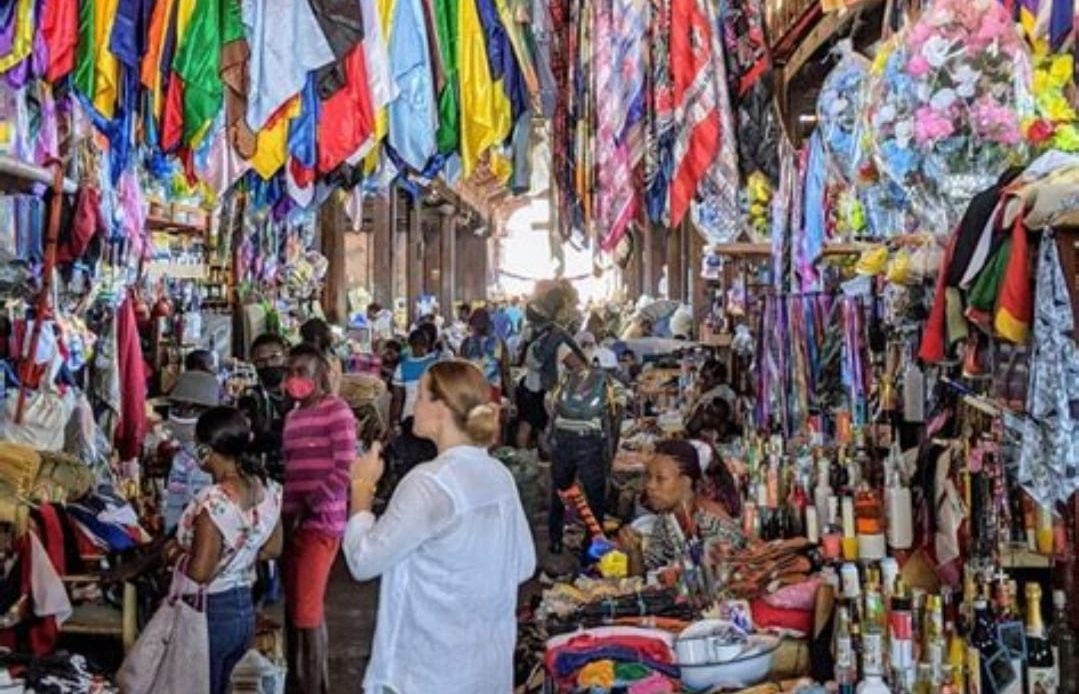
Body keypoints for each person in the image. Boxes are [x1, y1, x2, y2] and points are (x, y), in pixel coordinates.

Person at [344, 361, 536, 693]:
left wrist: (361, 491)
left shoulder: (428, 483)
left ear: (443, 409)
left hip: (425, 674)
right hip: (485, 670)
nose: (412, 405)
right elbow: (524, 565)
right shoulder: (498, 475)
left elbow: (363, 561)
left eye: (420, 397)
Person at [172, 407, 282, 694]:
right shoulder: (267, 489)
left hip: (211, 612)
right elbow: (272, 548)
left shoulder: (214, 501)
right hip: (244, 609)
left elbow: (199, 572)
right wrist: (241, 557)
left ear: (206, 449)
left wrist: (171, 554)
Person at [281, 344, 357, 694]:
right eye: (290, 372)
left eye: (302, 372)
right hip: (292, 522)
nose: (295, 379)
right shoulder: (292, 418)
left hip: (321, 523)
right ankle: (309, 681)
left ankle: (310, 685)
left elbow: (345, 468)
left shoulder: (337, 412)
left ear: (321, 375)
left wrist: (309, 506)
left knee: (307, 614)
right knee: (298, 609)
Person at [617, 440, 744, 576]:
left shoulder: (713, 527)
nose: (650, 486)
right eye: (648, 477)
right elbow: (644, 575)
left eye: (660, 479)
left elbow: (721, 584)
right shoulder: (667, 518)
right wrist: (635, 552)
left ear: (685, 482)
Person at [546, 350, 627, 555]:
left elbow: (550, 403)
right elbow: (616, 422)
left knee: (559, 491)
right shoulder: (613, 385)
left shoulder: (567, 378)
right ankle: (590, 548)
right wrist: (610, 453)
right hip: (589, 441)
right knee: (595, 497)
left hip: (562, 440)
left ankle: (555, 541)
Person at [515, 304, 584, 450]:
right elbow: (579, 366)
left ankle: (523, 459)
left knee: (526, 424)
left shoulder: (533, 336)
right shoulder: (559, 344)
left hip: (529, 386)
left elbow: (520, 359)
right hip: (547, 390)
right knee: (545, 428)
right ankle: (549, 463)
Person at [164, 370, 221, 532]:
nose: (180, 415)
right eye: (176, 408)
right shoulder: (184, 455)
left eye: (189, 410)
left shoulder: (206, 459)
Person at [237, 333, 291, 481]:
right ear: (254, 364)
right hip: (265, 476)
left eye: (274, 358)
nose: (269, 365)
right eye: (261, 361)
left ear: (285, 357)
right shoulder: (250, 398)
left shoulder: (299, 394)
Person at [388, 329, 439, 476]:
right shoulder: (435, 365)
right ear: (428, 344)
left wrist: (394, 422)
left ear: (409, 345)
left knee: (411, 459)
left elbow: (397, 399)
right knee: (431, 458)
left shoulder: (402, 367)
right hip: (432, 417)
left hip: (409, 419)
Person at [460, 308, 513, 403]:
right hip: (493, 392)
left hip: (473, 393)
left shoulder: (466, 343)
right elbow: (505, 372)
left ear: (472, 325)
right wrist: (512, 398)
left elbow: (461, 373)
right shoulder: (498, 343)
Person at [300, 318, 343, 395]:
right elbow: (334, 393)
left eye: (304, 338)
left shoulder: (304, 361)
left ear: (316, 339)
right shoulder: (334, 361)